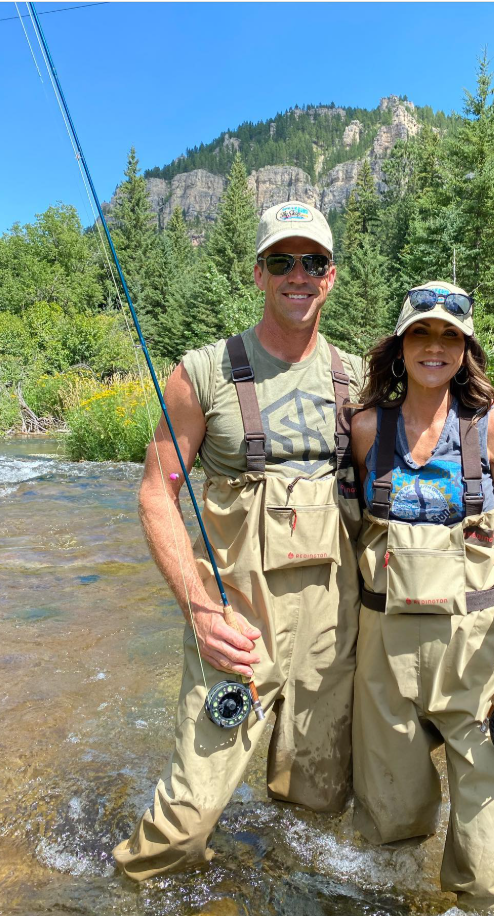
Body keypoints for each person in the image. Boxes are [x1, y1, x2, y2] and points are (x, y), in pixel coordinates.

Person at [113, 201, 365, 880]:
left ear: (331, 276)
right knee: (182, 827)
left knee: (314, 814)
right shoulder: (201, 374)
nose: (298, 275)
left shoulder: (361, 379)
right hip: (237, 627)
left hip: (331, 632)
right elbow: (155, 492)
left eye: (312, 261)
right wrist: (198, 607)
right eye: (282, 261)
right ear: (259, 273)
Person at [349, 280, 494, 911]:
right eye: (421, 333)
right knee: (388, 841)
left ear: (466, 348)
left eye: (449, 336)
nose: (434, 347)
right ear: (400, 344)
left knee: (492, 873)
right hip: (385, 655)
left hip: (480, 655)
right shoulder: (364, 429)